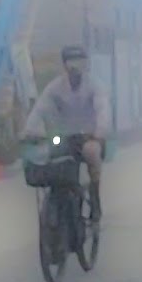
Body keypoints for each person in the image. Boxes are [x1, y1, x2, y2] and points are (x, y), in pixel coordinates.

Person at [22, 45, 112, 221]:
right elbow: (40, 109)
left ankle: (95, 197)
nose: (75, 67)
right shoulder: (55, 87)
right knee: (50, 157)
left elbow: (103, 109)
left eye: (79, 62)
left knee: (91, 152)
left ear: (86, 64)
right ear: (64, 65)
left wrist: (99, 132)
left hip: (89, 137)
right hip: (65, 138)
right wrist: (29, 131)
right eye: (71, 62)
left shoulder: (95, 86)